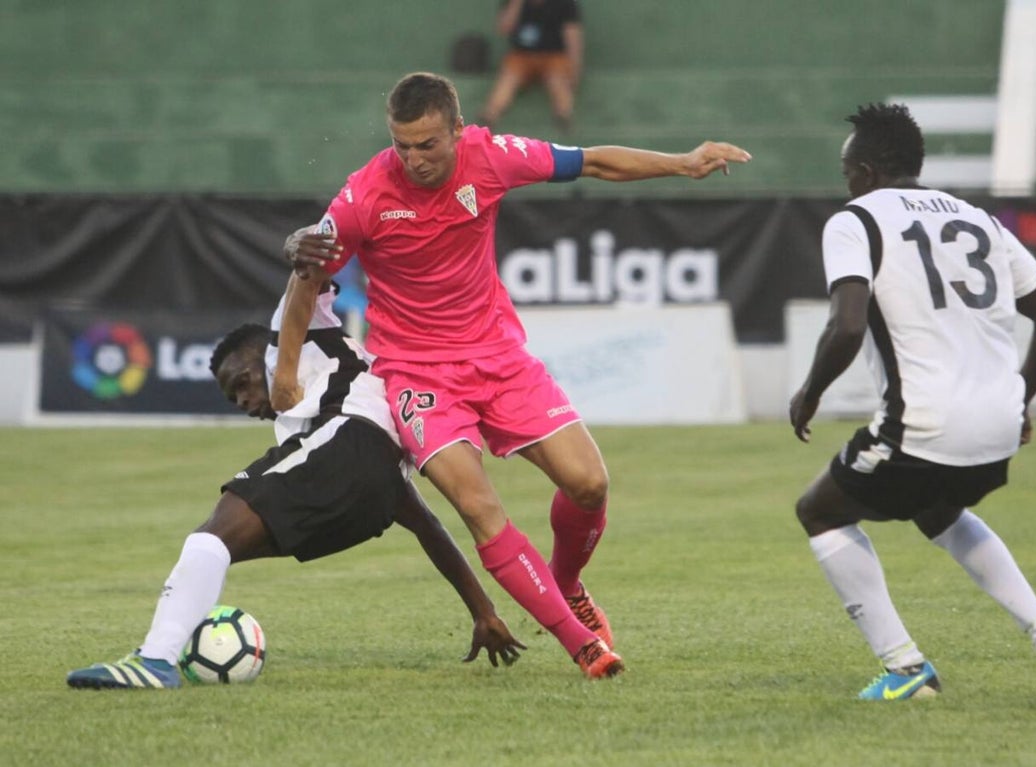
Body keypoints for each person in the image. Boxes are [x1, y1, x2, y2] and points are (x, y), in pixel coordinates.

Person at [284, 71, 751, 679]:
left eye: (427, 144)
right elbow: (306, 274)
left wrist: (682, 163)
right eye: (401, 145)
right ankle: (583, 646)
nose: (414, 159)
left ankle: (566, 584)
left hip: (499, 359)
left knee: (589, 484)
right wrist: (285, 376)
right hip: (417, 375)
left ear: (458, 130)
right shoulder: (365, 196)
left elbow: (592, 162)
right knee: (479, 508)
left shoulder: (492, 156)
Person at [66, 267, 524, 689]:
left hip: (349, 443)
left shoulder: (292, 333)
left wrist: (303, 248)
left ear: (264, 353)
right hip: (376, 493)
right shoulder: (326, 412)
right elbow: (428, 525)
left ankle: (155, 660)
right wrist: (482, 611)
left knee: (209, 539)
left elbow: (309, 272)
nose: (244, 402)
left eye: (243, 382)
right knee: (218, 548)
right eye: (234, 399)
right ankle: (166, 643)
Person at [788, 102, 1036, 701]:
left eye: (848, 172)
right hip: (997, 426)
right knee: (937, 510)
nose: (846, 183)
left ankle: (906, 669)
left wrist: (810, 392)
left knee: (820, 511)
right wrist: (1021, 400)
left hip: (924, 422)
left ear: (869, 172)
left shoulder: (856, 220)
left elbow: (846, 326)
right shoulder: (980, 220)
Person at [477, 0, 583, 132]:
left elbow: (572, 36)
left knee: (558, 81)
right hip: (521, 56)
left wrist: (575, 68)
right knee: (508, 79)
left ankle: (564, 116)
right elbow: (505, 28)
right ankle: (489, 116)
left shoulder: (564, 3)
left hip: (553, 56)